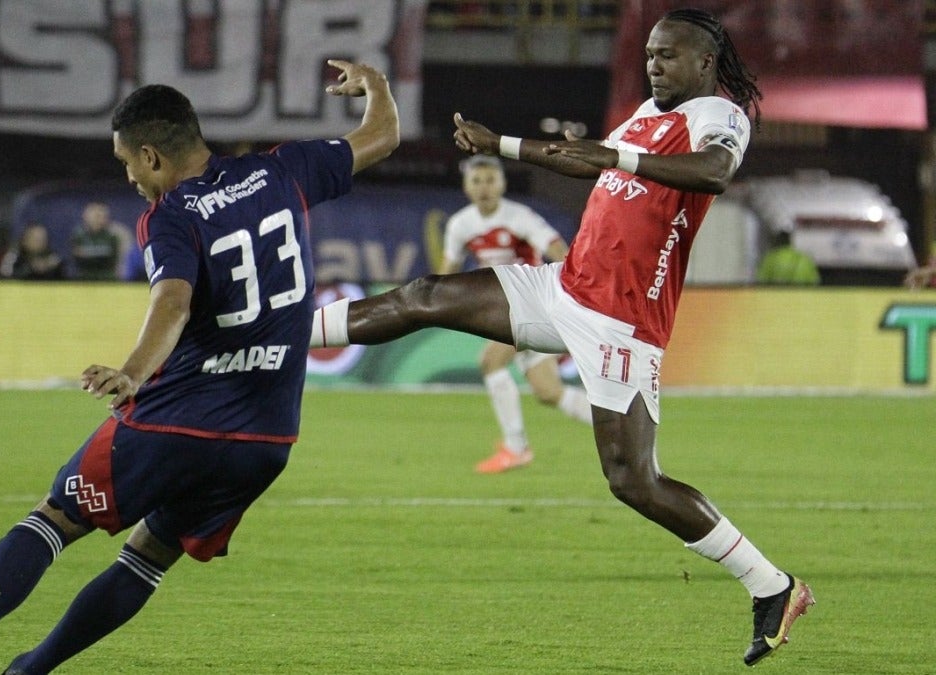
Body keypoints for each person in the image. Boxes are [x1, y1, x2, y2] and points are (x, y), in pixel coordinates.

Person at [311, 8, 812, 666]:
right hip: (565, 287)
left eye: (669, 55)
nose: (655, 64)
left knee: (633, 479)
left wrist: (615, 153)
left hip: (621, 321)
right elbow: (585, 159)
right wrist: (502, 145)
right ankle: (280, 337)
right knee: (425, 295)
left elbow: (714, 172)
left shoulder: (718, 117)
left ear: (705, 64)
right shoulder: (641, 116)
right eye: (651, 54)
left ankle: (772, 585)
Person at [0, 58, 398, 675]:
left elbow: (172, 299)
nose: (128, 178)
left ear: (151, 156)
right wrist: (377, 87)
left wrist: (134, 371)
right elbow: (382, 136)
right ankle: (28, 671)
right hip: (267, 438)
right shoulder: (283, 169)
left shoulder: (171, 216)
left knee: (53, 519)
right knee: (145, 560)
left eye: (126, 163)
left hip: (176, 421)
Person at [441, 153, 592, 474]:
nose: (484, 187)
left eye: (490, 180)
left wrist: (573, 285)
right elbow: (446, 273)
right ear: (466, 186)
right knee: (549, 392)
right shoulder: (460, 224)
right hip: (505, 307)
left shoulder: (520, 217)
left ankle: (516, 447)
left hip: (534, 303)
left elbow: (555, 248)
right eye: (476, 180)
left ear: (503, 184)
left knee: (490, 361)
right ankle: (618, 422)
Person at [70, 201, 123, 280]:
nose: (99, 219)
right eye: (96, 216)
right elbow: (77, 258)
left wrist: (87, 254)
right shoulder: (78, 235)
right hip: (83, 279)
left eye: (102, 216)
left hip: (107, 279)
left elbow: (112, 260)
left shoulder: (112, 236)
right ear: (85, 216)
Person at [0, 223, 66, 280]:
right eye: (36, 239)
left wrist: (52, 267)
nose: (41, 243)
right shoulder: (14, 255)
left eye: (43, 239)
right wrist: (31, 268)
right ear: (25, 241)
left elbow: (63, 279)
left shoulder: (50, 256)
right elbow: (5, 275)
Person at [755, 230, 820, 285]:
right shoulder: (804, 258)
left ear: (777, 241)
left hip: (776, 297)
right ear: (790, 241)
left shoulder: (770, 258)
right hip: (800, 297)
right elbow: (814, 281)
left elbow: (761, 281)